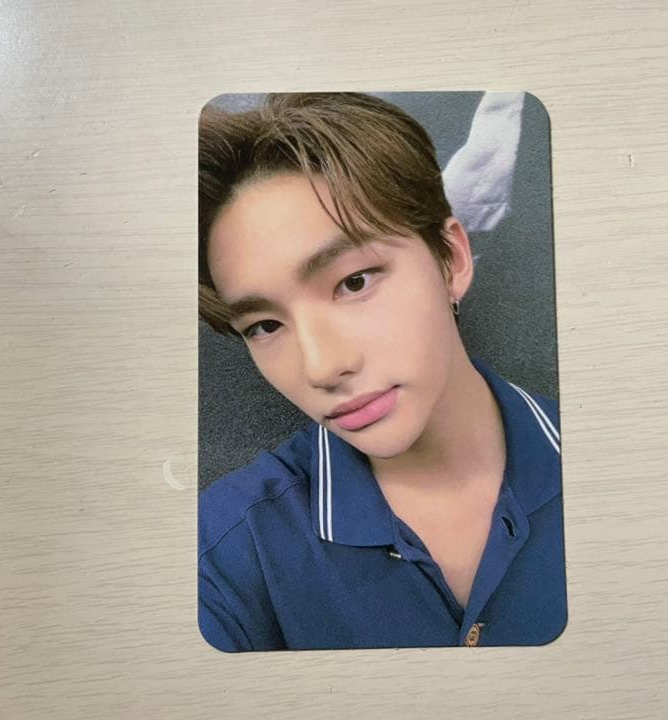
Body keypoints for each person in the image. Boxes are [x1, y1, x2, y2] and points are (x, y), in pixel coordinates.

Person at [197, 92, 566, 651]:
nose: (323, 367)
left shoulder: (629, 470)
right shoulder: (227, 547)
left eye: (355, 282)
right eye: (265, 325)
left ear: (451, 259)